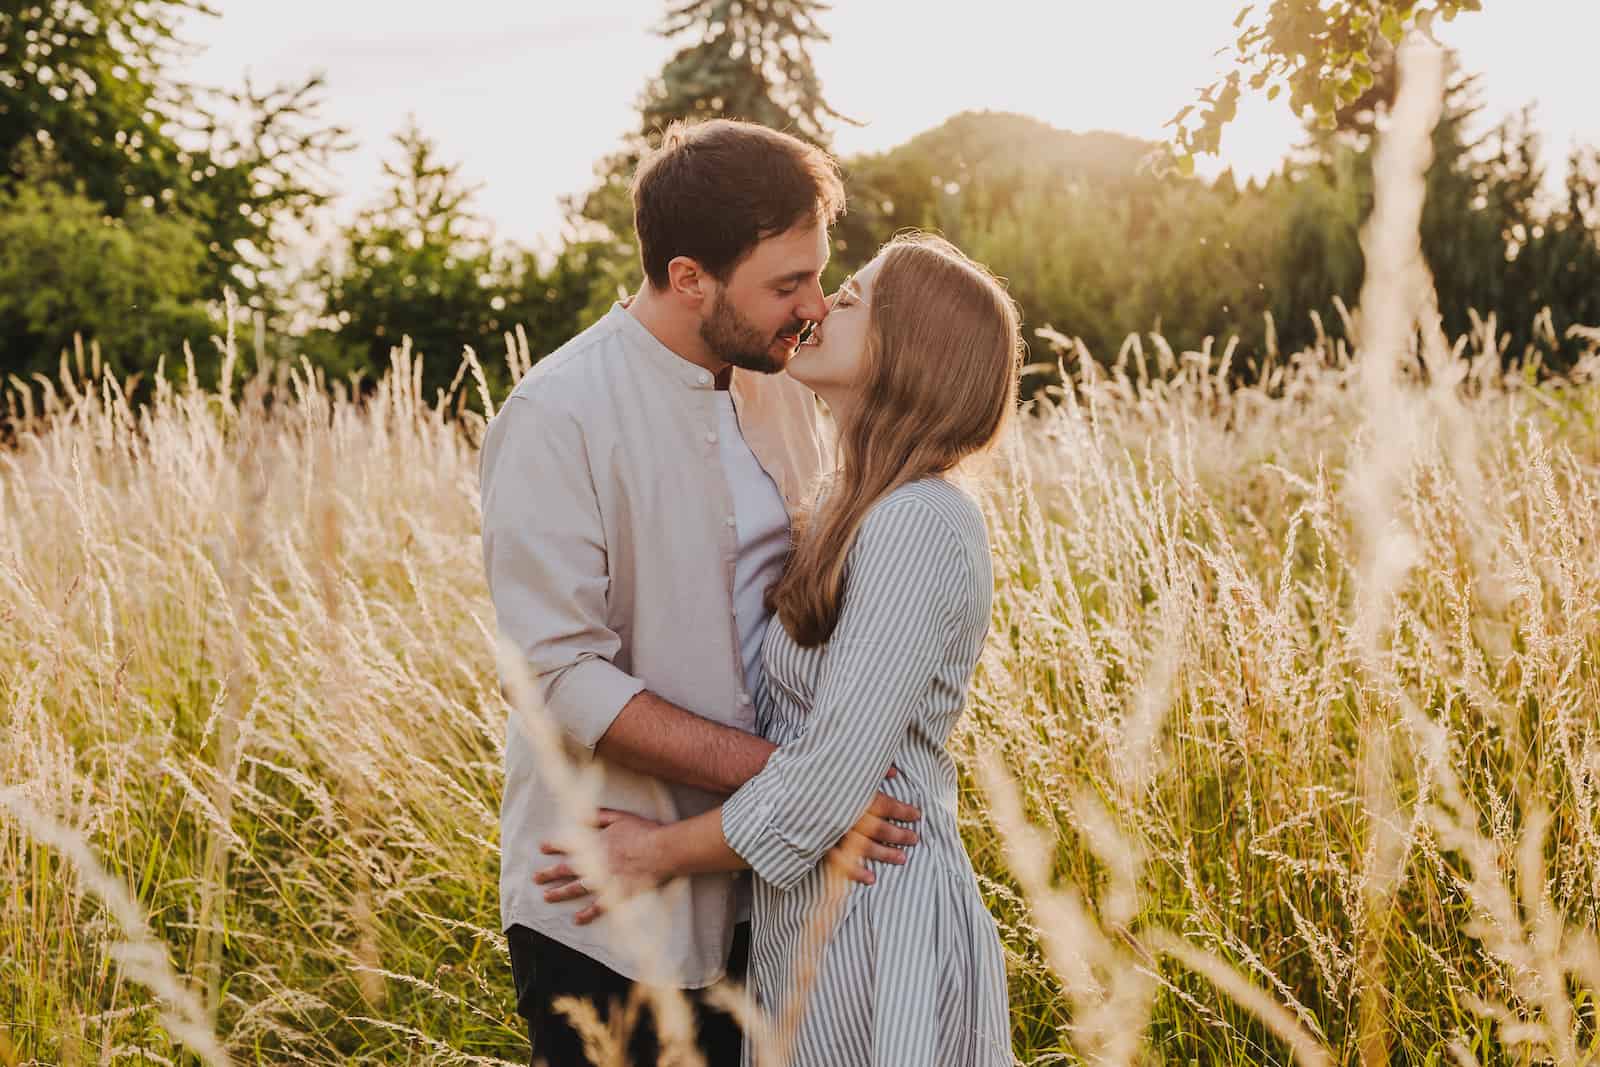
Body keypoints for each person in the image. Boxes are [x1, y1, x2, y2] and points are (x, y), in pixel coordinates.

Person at [478, 118, 923, 1067]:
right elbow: (561, 676)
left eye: (817, 275)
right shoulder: (556, 415)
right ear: (690, 278)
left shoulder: (783, 386)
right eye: (785, 284)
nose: (810, 306)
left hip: (775, 881)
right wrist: (796, 783)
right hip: (605, 899)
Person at [538, 233, 1022, 1066]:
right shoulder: (853, 502)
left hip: (881, 924)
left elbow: (833, 772)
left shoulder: (921, 522)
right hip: (817, 919)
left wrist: (652, 852)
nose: (825, 302)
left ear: (912, 350)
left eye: (857, 297)